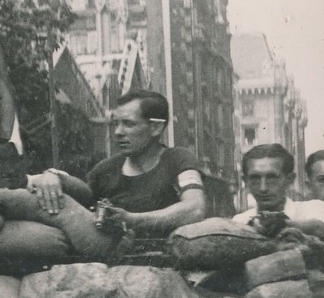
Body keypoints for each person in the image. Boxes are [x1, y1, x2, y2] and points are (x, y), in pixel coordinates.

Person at [15, 90, 208, 242]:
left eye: (128, 124)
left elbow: (195, 208)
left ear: (156, 127)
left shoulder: (178, 160)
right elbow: (82, 194)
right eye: (116, 124)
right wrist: (53, 175)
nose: (118, 132)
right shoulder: (105, 170)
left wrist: (133, 220)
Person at [231, 144, 324, 237]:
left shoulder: (312, 208)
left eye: (272, 178)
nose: (263, 188)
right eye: (255, 178)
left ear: (289, 180)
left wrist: (283, 224)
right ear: (245, 181)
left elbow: (319, 228)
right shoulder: (239, 221)